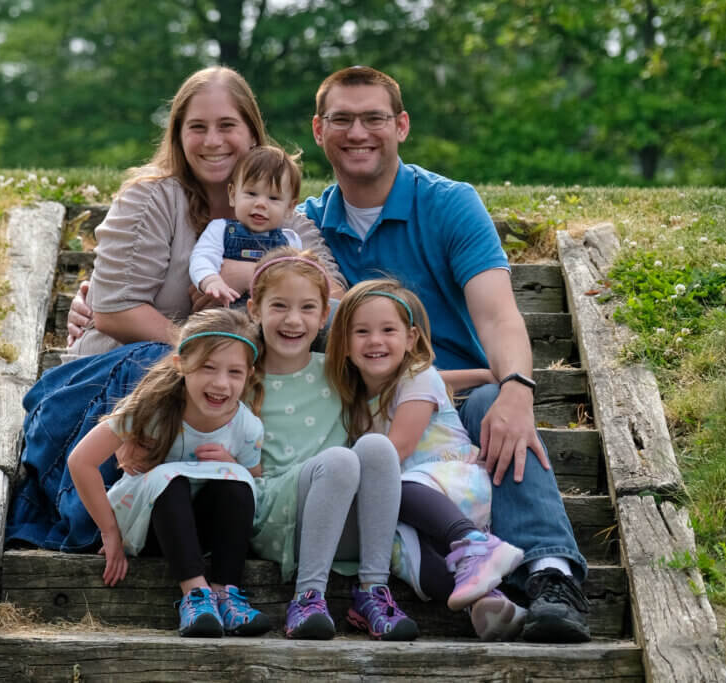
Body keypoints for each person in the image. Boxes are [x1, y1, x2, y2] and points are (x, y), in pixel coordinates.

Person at [298, 65, 591, 643]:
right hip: (359, 407)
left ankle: (551, 572)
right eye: (343, 119)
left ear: (401, 125)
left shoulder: (449, 204)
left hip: (454, 402)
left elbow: (498, 314)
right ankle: (485, 592)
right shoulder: (306, 228)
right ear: (318, 130)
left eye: (374, 118)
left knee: (496, 405)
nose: (359, 132)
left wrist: (517, 388)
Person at [65, 66, 341, 359]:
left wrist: (250, 275)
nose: (212, 141)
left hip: (232, 389)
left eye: (226, 125)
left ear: (252, 134)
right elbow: (116, 311)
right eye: (197, 127)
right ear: (179, 136)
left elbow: (338, 304)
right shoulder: (151, 199)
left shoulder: (284, 219)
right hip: (128, 376)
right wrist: (213, 348)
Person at [325, 279, 527, 640]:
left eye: (388, 330)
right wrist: (481, 374)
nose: (375, 341)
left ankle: (474, 544)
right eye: (361, 332)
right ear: (343, 345)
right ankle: (487, 602)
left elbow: (395, 452)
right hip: (408, 506)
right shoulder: (356, 398)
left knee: (390, 482)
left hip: (451, 486)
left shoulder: (418, 378)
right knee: (408, 558)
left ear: (411, 338)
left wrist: (489, 376)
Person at [243, 247, 418, 642]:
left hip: (340, 522)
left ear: (325, 316)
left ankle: (373, 591)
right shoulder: (241, 374)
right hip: (278, 520)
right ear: (254, 309)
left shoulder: (336, 371)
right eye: (279, 306)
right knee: (339, 459)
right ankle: (307, 597)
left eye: (307, 308)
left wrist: (499, 378)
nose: (293, 320)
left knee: (376, 446)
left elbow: (410, 370)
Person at [66, 308, 272, 638]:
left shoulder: (246, 425)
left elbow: (254, 476)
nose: (221, 383)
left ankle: (225, 592)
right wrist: (109, 532)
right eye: (208, 367)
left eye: (234, 372)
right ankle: (195, 596)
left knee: (237, 482)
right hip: (146, 528)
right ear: (181, 364)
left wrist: (231, 463)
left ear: (249, 374)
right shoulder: (153, 407)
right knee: (172, 480)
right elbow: (81, 461)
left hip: (201, 534)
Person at [189, 145, 303, 306]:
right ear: (233, 195)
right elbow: (202, 258)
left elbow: (301, 279)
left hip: (271, 318)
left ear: (290, 208)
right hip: (226, 314)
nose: (261, 204)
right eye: (251, 193)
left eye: (273, 198)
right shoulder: (220, 229)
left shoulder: (291, 241)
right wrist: (211, 280)